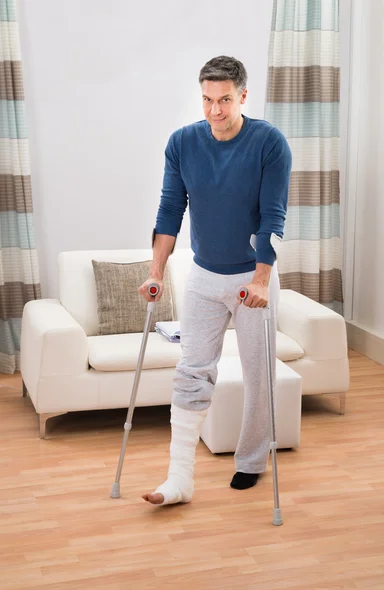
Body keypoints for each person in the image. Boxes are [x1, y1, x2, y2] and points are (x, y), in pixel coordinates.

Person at [139, 56, 292, 506]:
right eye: (207, 100)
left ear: (243, 95)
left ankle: (250, 462)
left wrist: (262, 279)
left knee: (256, 375)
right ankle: (179, 479)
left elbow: (273, 218)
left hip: (252, 278)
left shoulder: (269, 143)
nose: (215, 111)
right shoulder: (183, 143)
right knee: (192, 371)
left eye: (224, 100)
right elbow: (170, 212)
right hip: (204, 275)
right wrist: (155, 272)